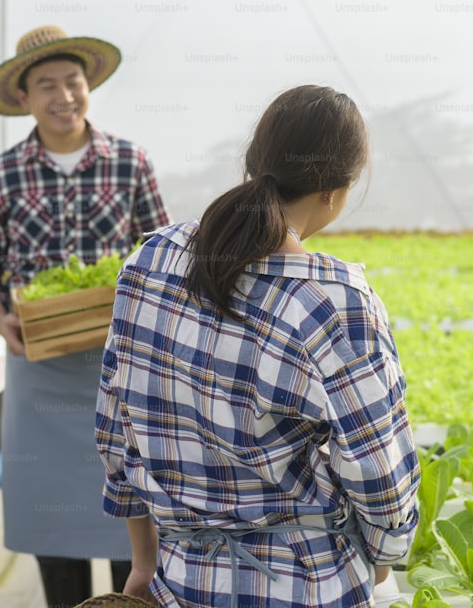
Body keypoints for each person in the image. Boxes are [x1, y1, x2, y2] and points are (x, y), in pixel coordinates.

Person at [95, 85, 420, 608]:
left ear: (253, 163)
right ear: (335, 192)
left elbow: (116, 432)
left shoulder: (152, 262)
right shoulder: (333, 301)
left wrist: (143, 562)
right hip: (309, 584)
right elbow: (380, 474)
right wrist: (383, 559)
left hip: (182, 581)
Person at [0, 25, 170, 608]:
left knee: (128, 522)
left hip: (120, 369)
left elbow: (159, 251)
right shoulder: (3, 173)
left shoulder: (129, 161)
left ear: (88, 87)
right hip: (40, 366)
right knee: (51, 521)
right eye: (46, 85)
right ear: (24, 99)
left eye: (73, 82)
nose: (63, 96)